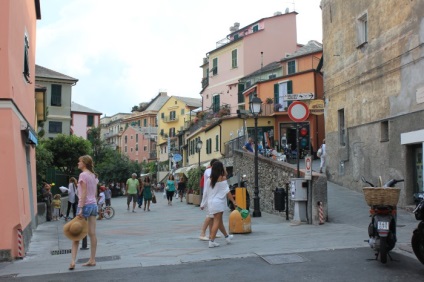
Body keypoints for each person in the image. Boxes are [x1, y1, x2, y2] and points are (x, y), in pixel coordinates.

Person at [69, 155, 98, 270]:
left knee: (76, 234)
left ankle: (72, 261)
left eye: (79, 161)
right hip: (93, 205)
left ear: (84, 163)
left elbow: (84, 193)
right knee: (92, 233)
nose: (78, 163)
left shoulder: (83, 175)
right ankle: (92, 259)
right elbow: (94, 193)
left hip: (85, 205)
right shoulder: (93, 175)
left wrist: (80, 208)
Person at [204, 161, 237, 248]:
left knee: (219, 222)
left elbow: (206, 192)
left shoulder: (209, 180)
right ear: (220, 169)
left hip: (211, 203)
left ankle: (227, 236)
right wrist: (233, 201)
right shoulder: (222, 178)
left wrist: (204, 203)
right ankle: (211, 241)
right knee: (217, 222)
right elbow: (227, 192)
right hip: (218, 203)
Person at [199, 159, 219, 241]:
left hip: (211, 196)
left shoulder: (212, 171)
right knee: (209, 216)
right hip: (209, 197)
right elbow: (206, 189)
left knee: (212, 216)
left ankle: (212, 233)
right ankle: (202, 233)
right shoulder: (208, 171)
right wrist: (202, 203)